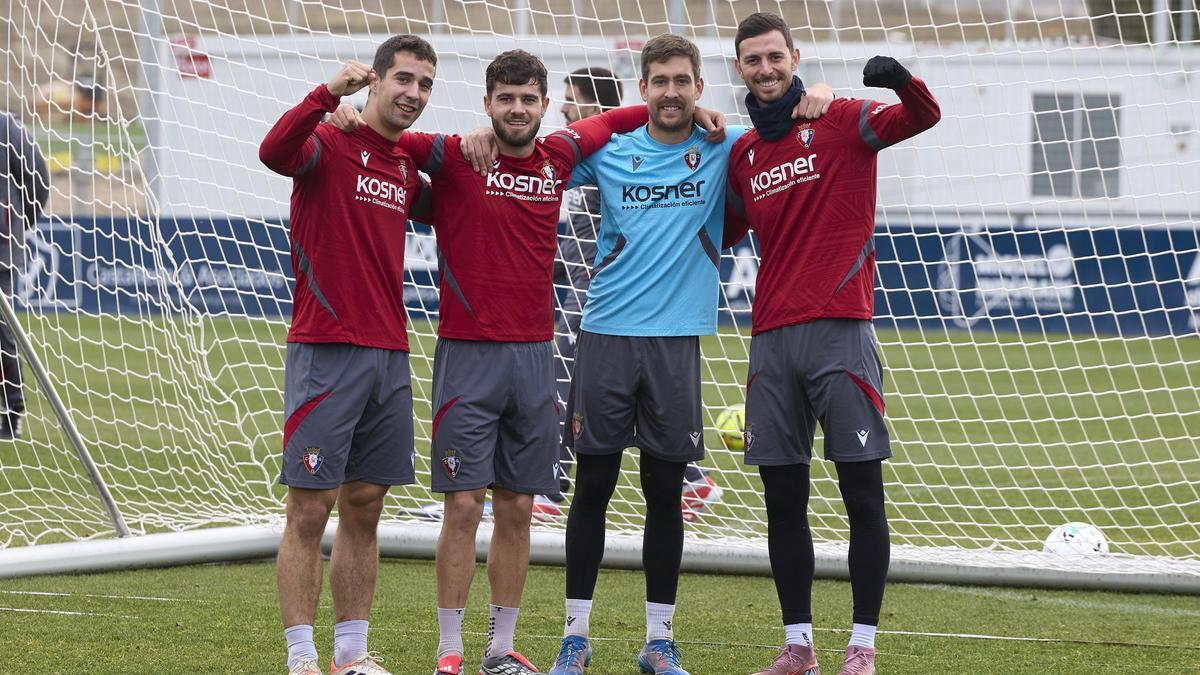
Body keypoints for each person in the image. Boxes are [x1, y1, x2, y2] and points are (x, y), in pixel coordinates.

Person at [548, 34, 827, 675]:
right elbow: (552, 150)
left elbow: (783, 119)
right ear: (642, 88)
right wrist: (611, 116)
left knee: (664, 492)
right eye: (659, 81)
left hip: (677, 343)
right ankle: (575, 637)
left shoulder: (723, 146)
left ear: (701, 88)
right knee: (591, 485)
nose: (671, 92)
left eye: (682, 81)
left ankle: (658, 640)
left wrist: (822, 94)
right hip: (606, 335)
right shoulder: (612, 150)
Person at [723, 13, 941, 675]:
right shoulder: (742, 154)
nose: (765, 70)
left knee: (861, 495)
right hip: (770, 344)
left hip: (842, 334)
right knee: (782, 500)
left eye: (774, 57)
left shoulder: (843, 118)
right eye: (752, 61)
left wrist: (900, 78)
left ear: (794, 56)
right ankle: (798, 648)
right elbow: (722, 232)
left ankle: (862, 649)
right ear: (741, 69)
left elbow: (923, 116)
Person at [258, 34, 438, 675]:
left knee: (366, 506)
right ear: (376, 81)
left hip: (390, 352)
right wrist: (325, 94)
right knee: (310, 507)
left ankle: (351, 657)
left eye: (425, 85)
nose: (413, 94)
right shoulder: (327, 141)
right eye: (404, 80)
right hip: (326, 351)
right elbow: (273, 150)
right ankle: (301, 658)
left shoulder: (406, 164)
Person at [549, 69, 724, 524]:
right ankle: (690, 478)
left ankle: (551, 488)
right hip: (586, 285)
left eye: (572, 99)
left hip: (602, 293)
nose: (564, 107)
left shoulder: (615, 149)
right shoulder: (599, 148)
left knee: (563, 372)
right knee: (564, 376)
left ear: (595, 104)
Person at [0, 113, 48, 440]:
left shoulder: (8, 128)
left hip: (0, 248)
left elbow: (39, 183)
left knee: (2, 333)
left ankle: (10, 409)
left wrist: (15, 224)